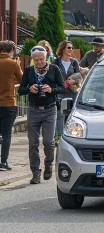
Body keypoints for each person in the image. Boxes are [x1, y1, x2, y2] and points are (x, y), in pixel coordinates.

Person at [19, 47, 65, 184]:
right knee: (33, 143)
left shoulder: (54, 69)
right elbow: (20, 90)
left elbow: (62, 87)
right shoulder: (28, 71)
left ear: (46, 58)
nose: (39, 62)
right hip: (33, 110)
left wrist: (51, 90)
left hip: (50, 110)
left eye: (41, 59)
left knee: (48, 142)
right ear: (33, 59)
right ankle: (35, 172)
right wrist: (29, 89)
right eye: (36, 60)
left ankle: (48, 164)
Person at [0, 41, 23, 171]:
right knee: (6, 133)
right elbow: (22, 80)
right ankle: (3, 162)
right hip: (8, 102)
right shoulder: (12, 63)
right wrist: (18, 66)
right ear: (11, 50)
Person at [53, 40, 81, 141]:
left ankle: (71, 135)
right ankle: (58, 136)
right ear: (63, 49)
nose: (71, 50)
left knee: (71, 115)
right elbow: (52, 77)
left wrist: (74, 81)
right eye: (68, 47)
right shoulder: (55, 62)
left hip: (72, 93)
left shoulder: (74, 62)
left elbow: (79, 76)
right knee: (59, 114)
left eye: (72, 48)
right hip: (59, 93)